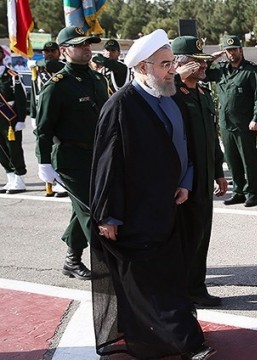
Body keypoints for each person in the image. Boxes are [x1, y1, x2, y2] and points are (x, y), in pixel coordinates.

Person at [90, 29, 214, 359]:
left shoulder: (171, 97)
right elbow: (106, 165)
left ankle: (158, 340)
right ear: (143, 68)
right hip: (134, 212)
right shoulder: (121, 106)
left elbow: (184, 146)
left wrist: (186, 181)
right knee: (146, 283)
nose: (172, 69)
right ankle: (187, 343)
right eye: (164, 64)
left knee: (169, 277)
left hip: (169, 208)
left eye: (172, 62)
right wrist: (107, 215)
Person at [34, 26, 109, 280]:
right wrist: (44, 162)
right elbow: (43, 129)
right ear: (64, 50)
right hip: (71, 159)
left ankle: (71, 260)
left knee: (82, 208)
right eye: (80, 45)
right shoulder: (57, 86)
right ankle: (109, 262)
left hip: (98, 156)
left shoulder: (99, 79)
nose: (87, 48)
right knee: (93, 209)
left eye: (89, 44)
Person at [172, 36, 228, 306]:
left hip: (205, 178)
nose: (203, 66)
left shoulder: (202, 93)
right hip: (185, 180)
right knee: (185, 236)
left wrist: (218, 170)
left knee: (201, 234)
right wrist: (176, 80)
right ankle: (184, 289)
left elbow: (211, 136)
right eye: (197, 62)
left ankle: (195, 286)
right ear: (180, 64)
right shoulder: (171, 95)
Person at [207, 35, 257, 207]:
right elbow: (202, 74)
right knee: (232, 160)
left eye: (234, 49)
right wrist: (212, 58)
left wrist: (256, 118)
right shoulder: (221, 69)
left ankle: (252, 193)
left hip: (244, 123)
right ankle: (238, 191)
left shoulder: (251, 70)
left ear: (240, 49)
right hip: (226, 124)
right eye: (228, 50)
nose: (231, 53)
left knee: (249, 160)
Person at [29, 41, 68, 197]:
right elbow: (34, 93)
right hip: (44, 113)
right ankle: (52, 181)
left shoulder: (64, 67)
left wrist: (39, 63)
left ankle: (63, 182)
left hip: (62, 113)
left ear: (59, 52)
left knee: (60, 148)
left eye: (53, 50)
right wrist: (33, 114)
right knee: (47, 147)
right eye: (46, 51)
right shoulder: (38, 71)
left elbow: (54, 67)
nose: (49, 53)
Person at [0, 49, 28, 194]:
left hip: (9, 119)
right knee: (1, 150)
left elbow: (21, 99)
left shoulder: (12, 76)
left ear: (3, 56)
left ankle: (19, 178)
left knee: (14, 148)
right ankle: (10, 176)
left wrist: (21, 119)